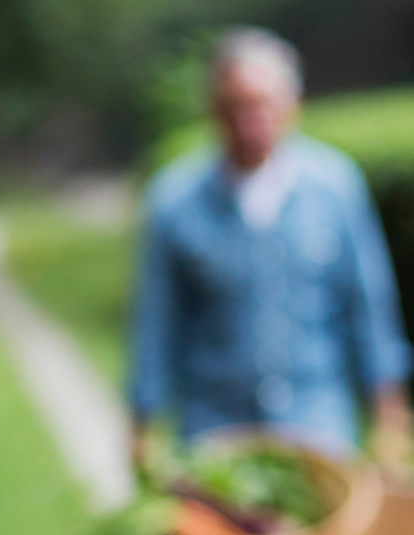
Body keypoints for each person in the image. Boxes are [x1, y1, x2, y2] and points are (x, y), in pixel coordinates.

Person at [130, 27, 413, 469]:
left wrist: (388, 406)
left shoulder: (335, 187)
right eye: (236, 107)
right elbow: (158, 321)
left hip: (317, 420)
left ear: (291, 105)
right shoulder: (175, 203)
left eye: (263, 104)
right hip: (215, 426)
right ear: (214, 111)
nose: (250, 121)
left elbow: (367, 303)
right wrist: (142, 419)